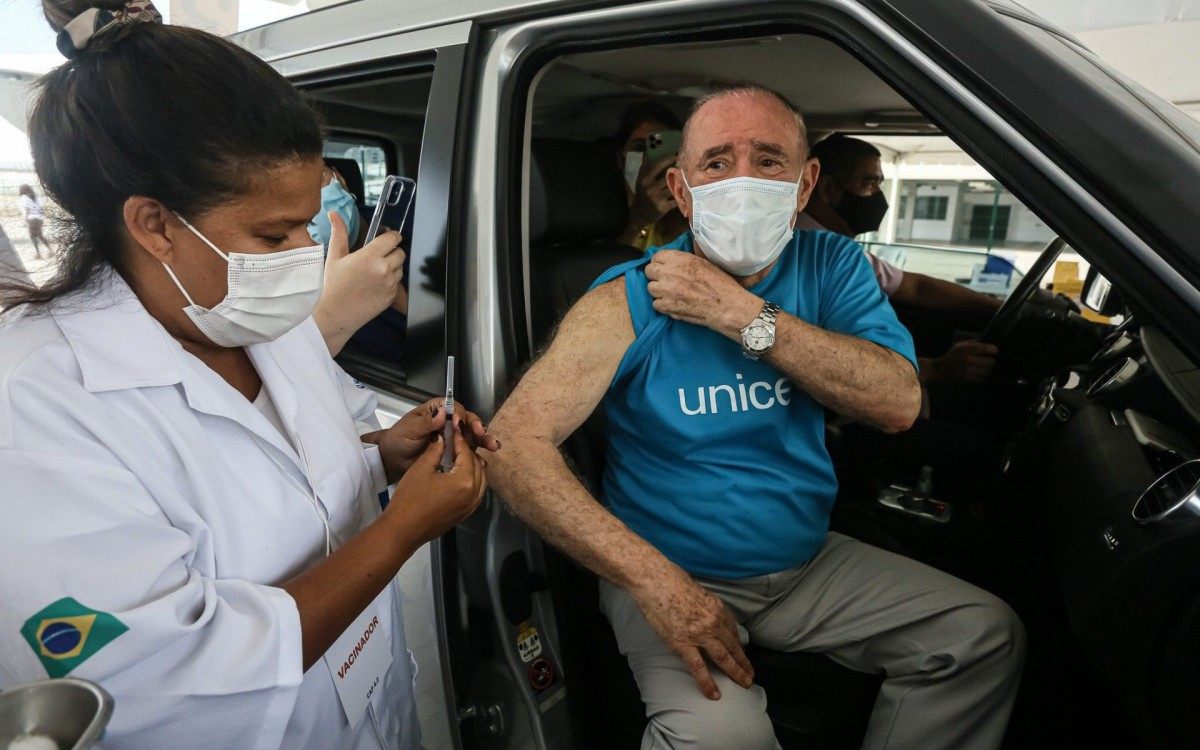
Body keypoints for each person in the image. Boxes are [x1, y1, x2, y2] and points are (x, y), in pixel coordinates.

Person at [0, 3, 497, 748]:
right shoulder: (36, 405)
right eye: (276, 232)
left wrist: (381, 450)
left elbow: (290, 459)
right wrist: (404, 528)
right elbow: (154, 678)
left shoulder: (256, 317)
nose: (305, 252)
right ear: (155, 224)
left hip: (368, 706)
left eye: (307, 220)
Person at [488, 84, 1024, 750]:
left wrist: (742, 315)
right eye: (716, 162)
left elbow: (899, 402)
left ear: (805, 185)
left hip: (804, 563)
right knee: (723, 740)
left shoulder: (832, 266)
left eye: (768, 160)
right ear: (683, 191)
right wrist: (652, 580)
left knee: (981, 635)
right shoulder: (629, 295)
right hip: (670, 567)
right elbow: (512, 444)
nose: (742, 178)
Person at [803, 134, 1002, 385]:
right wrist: (934, 369)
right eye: (870, 183)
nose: (878, 195)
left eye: (879, 183)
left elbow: (913, 287)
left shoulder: (837, 248)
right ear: (827, 189)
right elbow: (823, 352)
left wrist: (996, 307)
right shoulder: (811, 250)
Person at [307, 164, 409, 356]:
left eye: (317, 181)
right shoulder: (314, 303)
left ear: (339, 178)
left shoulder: (412, 217)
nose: (314, 203)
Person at [614, 100, 690, 250]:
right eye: (640, 147)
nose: (647, 158)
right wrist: (638, 220)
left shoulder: (691, 213)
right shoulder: (601, 217)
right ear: (621, 159)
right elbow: (604, 270)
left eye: (658, 148)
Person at [18, 185, 52, 259]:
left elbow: (27, 209)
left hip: (32, 218)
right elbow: (42, 209)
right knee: (39, 235)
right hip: (40, 218)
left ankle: (38, 254)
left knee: (33, 236)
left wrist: (25, 219)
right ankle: (50, 250)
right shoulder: (37, 197)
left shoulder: (23, 198)